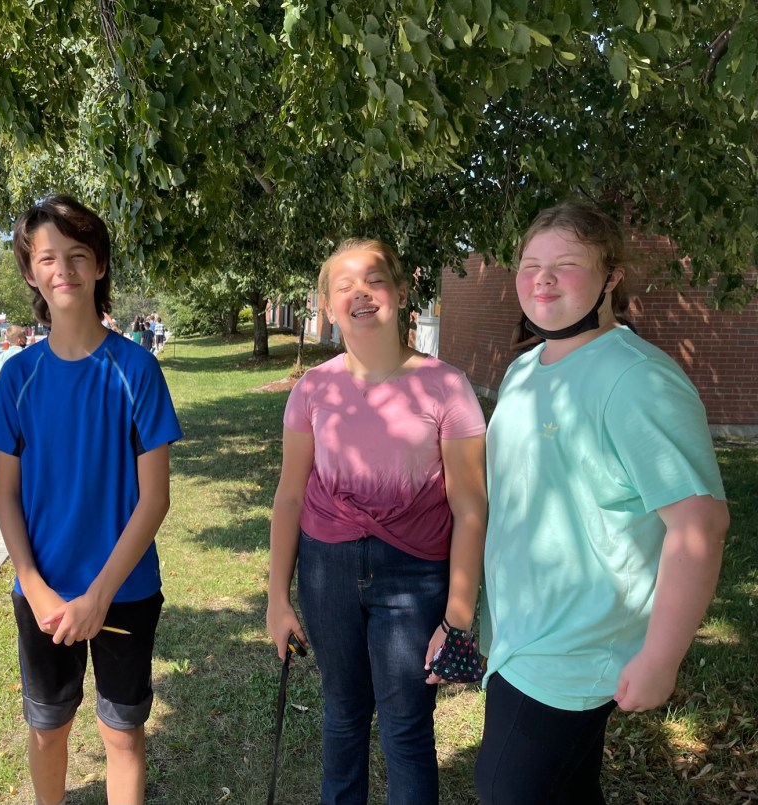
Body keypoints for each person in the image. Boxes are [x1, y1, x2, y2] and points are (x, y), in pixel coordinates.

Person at [475, 201, 729, 805]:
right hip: (519, 631)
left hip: (575, 647)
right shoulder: (524, 369)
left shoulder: (637, 378)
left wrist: (661, 657)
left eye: (565, 264)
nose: (542, 279)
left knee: (504, 789)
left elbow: (699, 524)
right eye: (529, 265)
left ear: (611, 276)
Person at [267, 238, 487, 805]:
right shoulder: (313, 389)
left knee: (406, 728)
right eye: (344, 286)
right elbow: (289, 497)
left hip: (415, 575)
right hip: (326, 571)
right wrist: (277, 599)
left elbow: (470, 507)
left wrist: (457, 617)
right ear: (327, 305)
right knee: (342, 715)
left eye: (375, 281)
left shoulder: (447, 386)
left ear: (403, 292)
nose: (360, 294)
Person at [0, 195, 182, 805]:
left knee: (122, 733)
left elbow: (155, 498)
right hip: (42, 594)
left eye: (77, 254)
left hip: (125, 590)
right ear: (30, 272)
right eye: (47, 258)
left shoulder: (137, 370)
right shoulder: (18, 376)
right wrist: (34, 585)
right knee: (48, 730)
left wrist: (98, 595)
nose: (63, 269)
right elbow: (5, 495)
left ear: (99, 265)